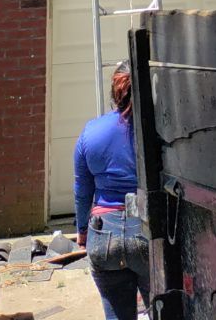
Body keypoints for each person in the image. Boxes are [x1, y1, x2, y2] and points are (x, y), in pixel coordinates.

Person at [74, 61, 150, 320]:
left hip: (104, 235)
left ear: (114, 91)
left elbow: (82, 190)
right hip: (148, 234)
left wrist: (83, 232)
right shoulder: (156, 130)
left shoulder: (91, 133)